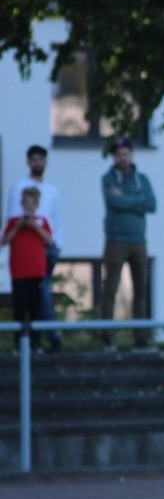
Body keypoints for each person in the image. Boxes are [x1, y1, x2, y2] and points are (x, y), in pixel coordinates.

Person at [100, 136, 157, 351]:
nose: (123, 158)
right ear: (114, 157)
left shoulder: (142, 179)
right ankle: (106, 338)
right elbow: (114, 202)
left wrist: (126, 198)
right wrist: (136, 200)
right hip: (116, 240)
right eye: (119, 155)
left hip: (139, 241)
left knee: (141, 289)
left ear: (131, 155)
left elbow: (151, 204)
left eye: (126, 154)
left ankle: (140, 338)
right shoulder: (108, 179)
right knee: (110, 289)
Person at [5, 145, 63, 352]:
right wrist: (21, 224)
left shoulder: (52, 191)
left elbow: (55, 222)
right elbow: (10, 224)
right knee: (24, 304)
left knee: (39, 300)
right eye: (34, 159)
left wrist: (56, 245)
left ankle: (41, 340)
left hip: (44, 253)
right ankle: (41, 340)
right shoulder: (18, 187)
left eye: (41, 159)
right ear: (28, 162)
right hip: (22, 261)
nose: (38, 163)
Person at [2, 187, 53, 352]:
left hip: (36, 271)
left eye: (32, 203)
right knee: (19, 309)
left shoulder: (42, 221)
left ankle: (35, 343)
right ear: (22, 204)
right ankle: (18, 345)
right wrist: (17, 226)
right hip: (19, 273)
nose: (29, 206)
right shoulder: (13, 222)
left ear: (36, 205)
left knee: (35, 309)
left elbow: (49, 241)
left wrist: (34, 226)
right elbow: (4, 241)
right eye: (26, 203)